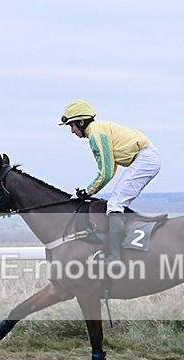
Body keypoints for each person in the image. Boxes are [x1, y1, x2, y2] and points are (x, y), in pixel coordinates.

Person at [59, 100, 161, 266]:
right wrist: (89, 191)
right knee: (116, 202)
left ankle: (114, 258)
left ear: (81, 122)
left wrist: (88, 192)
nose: (72, 131)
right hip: (145, 158)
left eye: (72, 126)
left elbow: (105, 173)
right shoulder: (99, 130)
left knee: (115, 205)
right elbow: (111, 170)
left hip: (144, 160)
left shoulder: (96, 135)